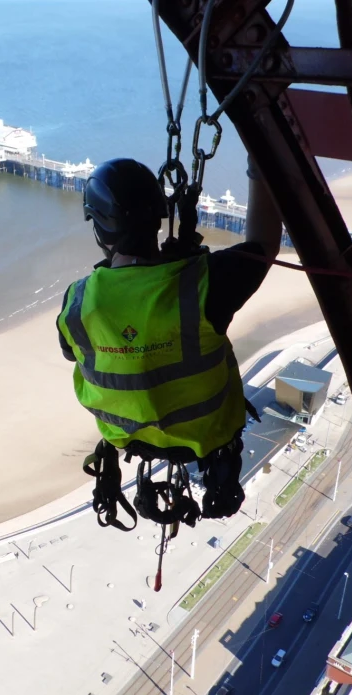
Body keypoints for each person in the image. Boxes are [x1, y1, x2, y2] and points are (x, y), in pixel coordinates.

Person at [57, 156, 283, 528]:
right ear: (158, 220)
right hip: (208, 437)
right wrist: (259, 160)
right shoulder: (207, 283)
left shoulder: (77, 303)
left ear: (99, 231)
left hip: (125, 439)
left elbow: (72, 351)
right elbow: (264, 243)